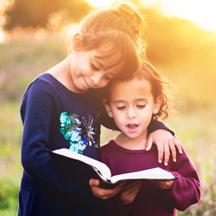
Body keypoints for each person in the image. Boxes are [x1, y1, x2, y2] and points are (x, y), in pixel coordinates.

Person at [18, 3, 181, 216]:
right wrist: (84, 186)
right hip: (48, 201)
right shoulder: (43, 91)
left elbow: (123, 119)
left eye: (109, 77)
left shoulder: (93, 91)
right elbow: (32, 156)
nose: (97, 80)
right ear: (77, 43)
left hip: (86, 201)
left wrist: (157, 127)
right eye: (95, 66)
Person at [101, 60, 201, 216]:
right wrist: (121, 201)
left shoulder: (167, 146)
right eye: (121, 107)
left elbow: (194, 192)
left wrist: (170, 184)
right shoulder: (104, 156)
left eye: (140, 105)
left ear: (156, 103)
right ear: (109, 108)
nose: (131, 114)